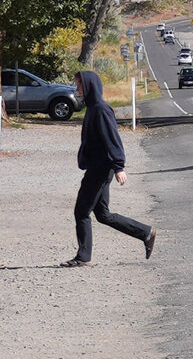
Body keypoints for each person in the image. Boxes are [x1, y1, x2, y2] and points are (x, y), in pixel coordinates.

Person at [63, 69, 155, 268]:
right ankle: (145, 232)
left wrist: (119, 166)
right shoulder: (93, 108)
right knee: (103, 214)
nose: (77, 88)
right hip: (97, 167)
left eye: (79, 85)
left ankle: (83, 257)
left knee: (81, 212)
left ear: (89, 86)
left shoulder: (101, 110)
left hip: (101, 169)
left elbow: (113, 139)